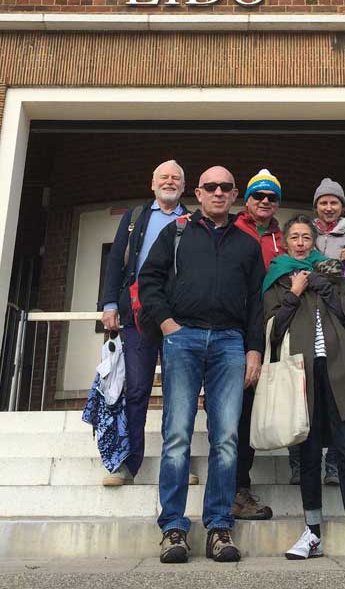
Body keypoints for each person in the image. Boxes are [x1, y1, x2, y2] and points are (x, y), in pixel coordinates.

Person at [138, 166, 265, 564]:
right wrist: (167, 324)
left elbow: (257, 304)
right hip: (184, 339)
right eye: (210, 186)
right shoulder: (175, 233)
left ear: (234, 194)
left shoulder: (246, 244)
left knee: (226, 438)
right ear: (199, 192)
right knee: (177, 435)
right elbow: (149, 280)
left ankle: (219, 528)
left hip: (230, 342)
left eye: (226, 187)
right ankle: (173, 528)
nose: (218, 192)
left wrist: (254, 350)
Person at [263, 215, 345, 565]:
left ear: (313, 240)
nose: (300, 243)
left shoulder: (330, 273)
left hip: (337, 371)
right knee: (309, 455)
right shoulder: (277, 278)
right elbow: (272, 329)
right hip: (301, 375)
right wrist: (295, 294)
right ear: (285, 241)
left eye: (306, 237)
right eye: (294, 237)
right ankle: (312, 532)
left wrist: (326, 287)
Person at [97, 160, 191, 486]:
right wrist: (109, 304)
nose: (169, 181)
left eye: (175, 178)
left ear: (183, 185)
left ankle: (176, 465)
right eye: (164, 177)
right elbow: (116, 262)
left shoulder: (191, 220)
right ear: (153, 183)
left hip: (177, 318)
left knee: (178, 393)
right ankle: (127, 464)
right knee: (136, 390)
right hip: (136, 316)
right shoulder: (135, 218)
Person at [289, 177, 345, 487]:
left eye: (334, 202)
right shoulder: (307, 238)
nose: (328, 207)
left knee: (337, 397)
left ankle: (332, 464)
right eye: (323, 202)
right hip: (305, 325)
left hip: (339, 326)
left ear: (343, 206)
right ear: (316, 206)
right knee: (301, 397)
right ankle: (300, 463)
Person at [231, 167, 284, 520]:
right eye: (258, 196)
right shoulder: (233, 231)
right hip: (236, 331)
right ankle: (235, 487)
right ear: (246, 199)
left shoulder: (287, 237)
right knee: (238, 410)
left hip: (275, 330)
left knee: (255, 410)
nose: (264, 201)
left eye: (271, 197)